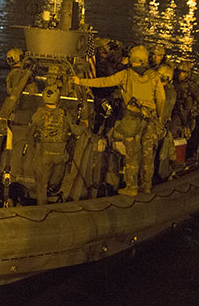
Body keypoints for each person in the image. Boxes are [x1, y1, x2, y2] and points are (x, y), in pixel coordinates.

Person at [72, 45, 165, 196]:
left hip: (132, 119)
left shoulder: (126, 75)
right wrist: (160, 115)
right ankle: (146, 186)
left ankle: (131, 187)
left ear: (133, 59)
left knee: (132, 154)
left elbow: (104, 82)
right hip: (150, 120)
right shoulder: (154, 76)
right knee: (148, 154)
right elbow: (161, 98)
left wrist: (81, 82)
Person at [26, 85, 87, 205]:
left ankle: (42, 209)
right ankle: (58, 196)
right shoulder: (64, 114)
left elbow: (29, 135)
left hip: (43, 154)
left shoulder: (39, 114)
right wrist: (85, 124)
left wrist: (35, 147)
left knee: (41, 185)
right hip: (60, 155)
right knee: (55, 181)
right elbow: (76, 131)